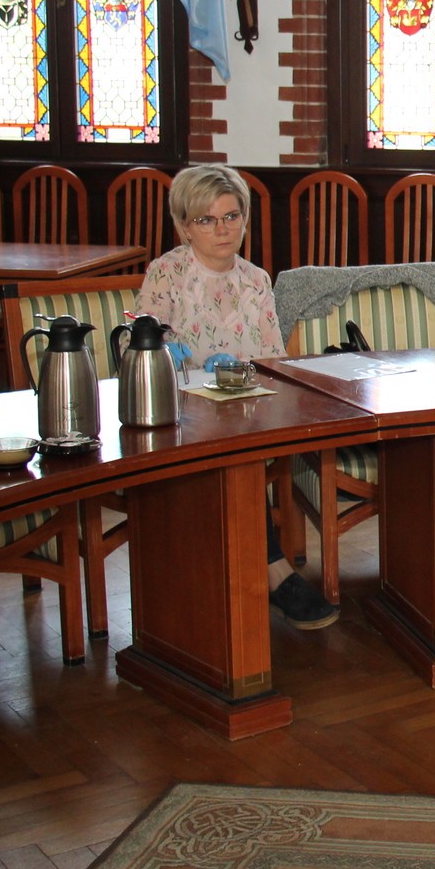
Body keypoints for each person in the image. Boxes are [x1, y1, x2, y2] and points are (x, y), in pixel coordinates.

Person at [136, 164, 338, 631]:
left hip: (245, 410)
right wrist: (167, 353)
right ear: (185, 226)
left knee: (240, 446)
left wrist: (239, 369)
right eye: (206, 220)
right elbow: (140, 349)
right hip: (181, 415)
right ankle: (273, 573)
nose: (222, 229)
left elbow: (272, 362)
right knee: (228, 453)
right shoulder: (166, 272)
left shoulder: (256, 279)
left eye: (231, 216)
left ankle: (247, 578)